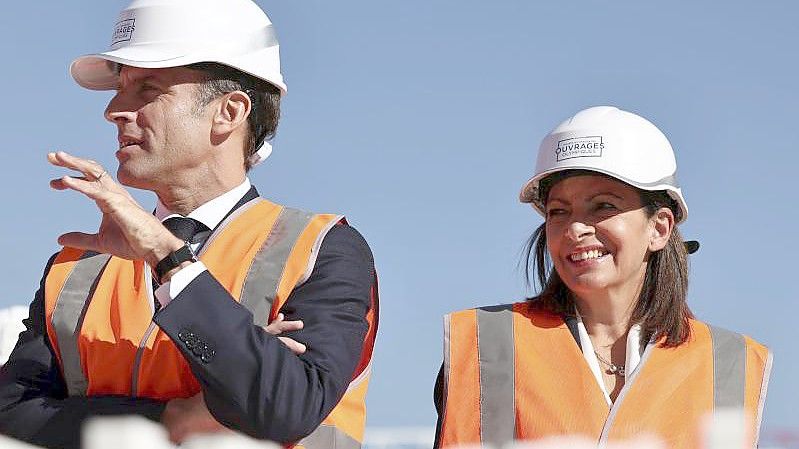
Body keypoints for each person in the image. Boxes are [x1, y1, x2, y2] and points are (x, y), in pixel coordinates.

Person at [0, 1, 378, 448]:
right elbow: (10, 412)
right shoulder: (75, 269)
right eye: (120, 88)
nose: (114, 110)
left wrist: (168, 257)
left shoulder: (321, 248)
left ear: (229, 113)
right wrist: (173, 418)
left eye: (147, 88)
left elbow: (284, 407)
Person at [433, 106, 771, 448]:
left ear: (659, 228)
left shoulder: (729, 364)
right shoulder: (485, 347)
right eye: (558, 211)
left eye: (604, 206)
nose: (576, 228)